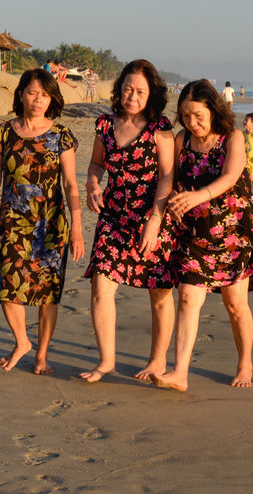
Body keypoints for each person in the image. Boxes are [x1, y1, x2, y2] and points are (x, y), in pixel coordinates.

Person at [152, 80, 253, 391]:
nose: (192, 122)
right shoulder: (182, 140)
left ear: (213, 110)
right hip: (195, 232)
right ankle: (180, 373)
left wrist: (198, 195)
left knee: (235, 305)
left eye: (198, 116)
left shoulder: (232, 137)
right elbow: (170, 178)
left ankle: (245, 362)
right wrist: (171, 202)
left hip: (233, 232)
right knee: (187, 297)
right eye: (186, 116)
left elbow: (231, 176)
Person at [0, 68, 84, 375]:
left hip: (51, 222)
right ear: (21, 95)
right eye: (32, 93)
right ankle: (22, 341)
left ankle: (42, 355)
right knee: (8, 285)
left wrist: (77, 228)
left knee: (48, 292)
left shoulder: (61, 136)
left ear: (52, 99)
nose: (38, 100)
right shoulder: (3, 132)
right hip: (12, 221)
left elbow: (71, 185)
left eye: (45, 95)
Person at [80, 60, 177, 383]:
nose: (132, 96)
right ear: (119, 90)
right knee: (101, 285)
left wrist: (155, 221)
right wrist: (93, 184)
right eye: (127, 89)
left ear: (151, 94)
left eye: (140, 92)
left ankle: (157, 361)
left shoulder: (160, 128)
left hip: (152, 216)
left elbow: (167, 176)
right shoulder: (105, 125)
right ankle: (106, 361)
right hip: (113, 216)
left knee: (159, 291)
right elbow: (96, 164)